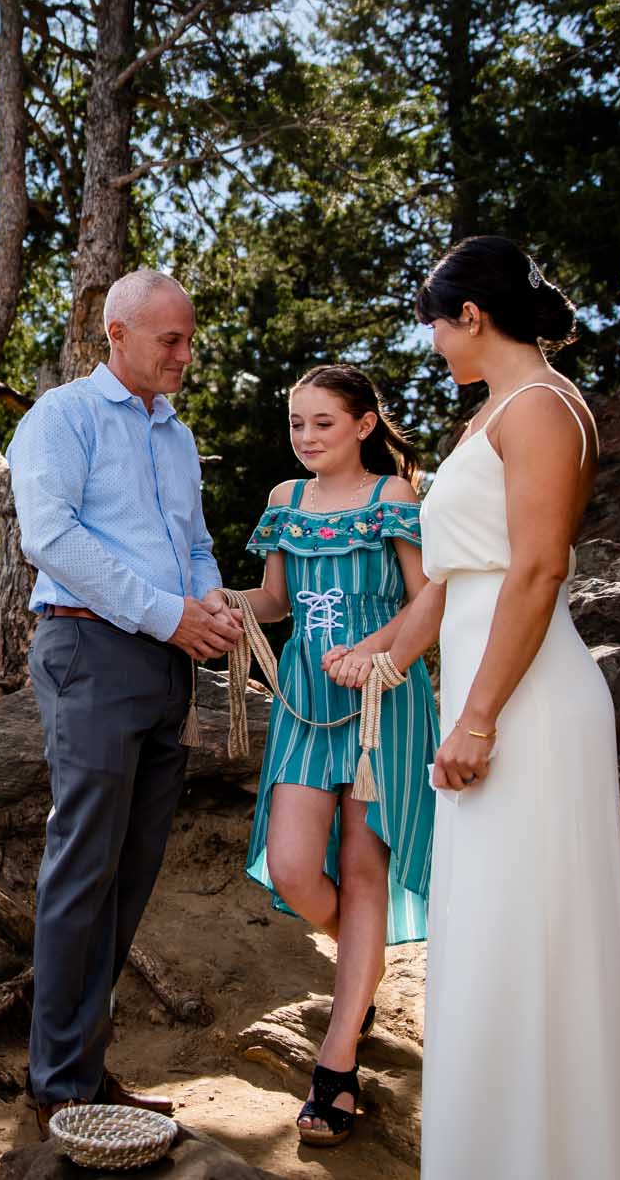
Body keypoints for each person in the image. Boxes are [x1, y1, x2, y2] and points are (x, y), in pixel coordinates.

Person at [380, 236, 620, 1178]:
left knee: (531, 944)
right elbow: (454, 578)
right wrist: (379, 657)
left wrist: (479, 715)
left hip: (529, 710)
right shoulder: (484, 416)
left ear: (473, 317)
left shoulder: (541, 409)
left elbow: (536, 569)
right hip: (490, 698)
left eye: (437, 330)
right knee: (486, 948)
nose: (436, 350)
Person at [7, 267, 244, 1135]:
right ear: (115, 334)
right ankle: (60, 1086)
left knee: (132, 871)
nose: (185, 353)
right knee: (84, 868)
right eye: (168, 339)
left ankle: (81, 1066)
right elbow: (51, 536)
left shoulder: (176, 437)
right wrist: (166, 613)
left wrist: (208, 602)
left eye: (188, 338)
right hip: (91, 651)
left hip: (166, 660)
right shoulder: (60, 417)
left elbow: (196, 544)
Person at [232, 364, 438, 1147]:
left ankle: (338, 1056)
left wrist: (373, 651)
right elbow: (274, 601)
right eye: (297, 423)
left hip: (385, 700)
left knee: (361, 867)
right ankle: (364, 966)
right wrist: (213, 600)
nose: (308, 436)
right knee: (291, 866)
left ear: (362, 424)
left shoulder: (394, 499)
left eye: (323, 422)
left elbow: (430, 598)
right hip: (305, 704)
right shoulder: (285, 501)